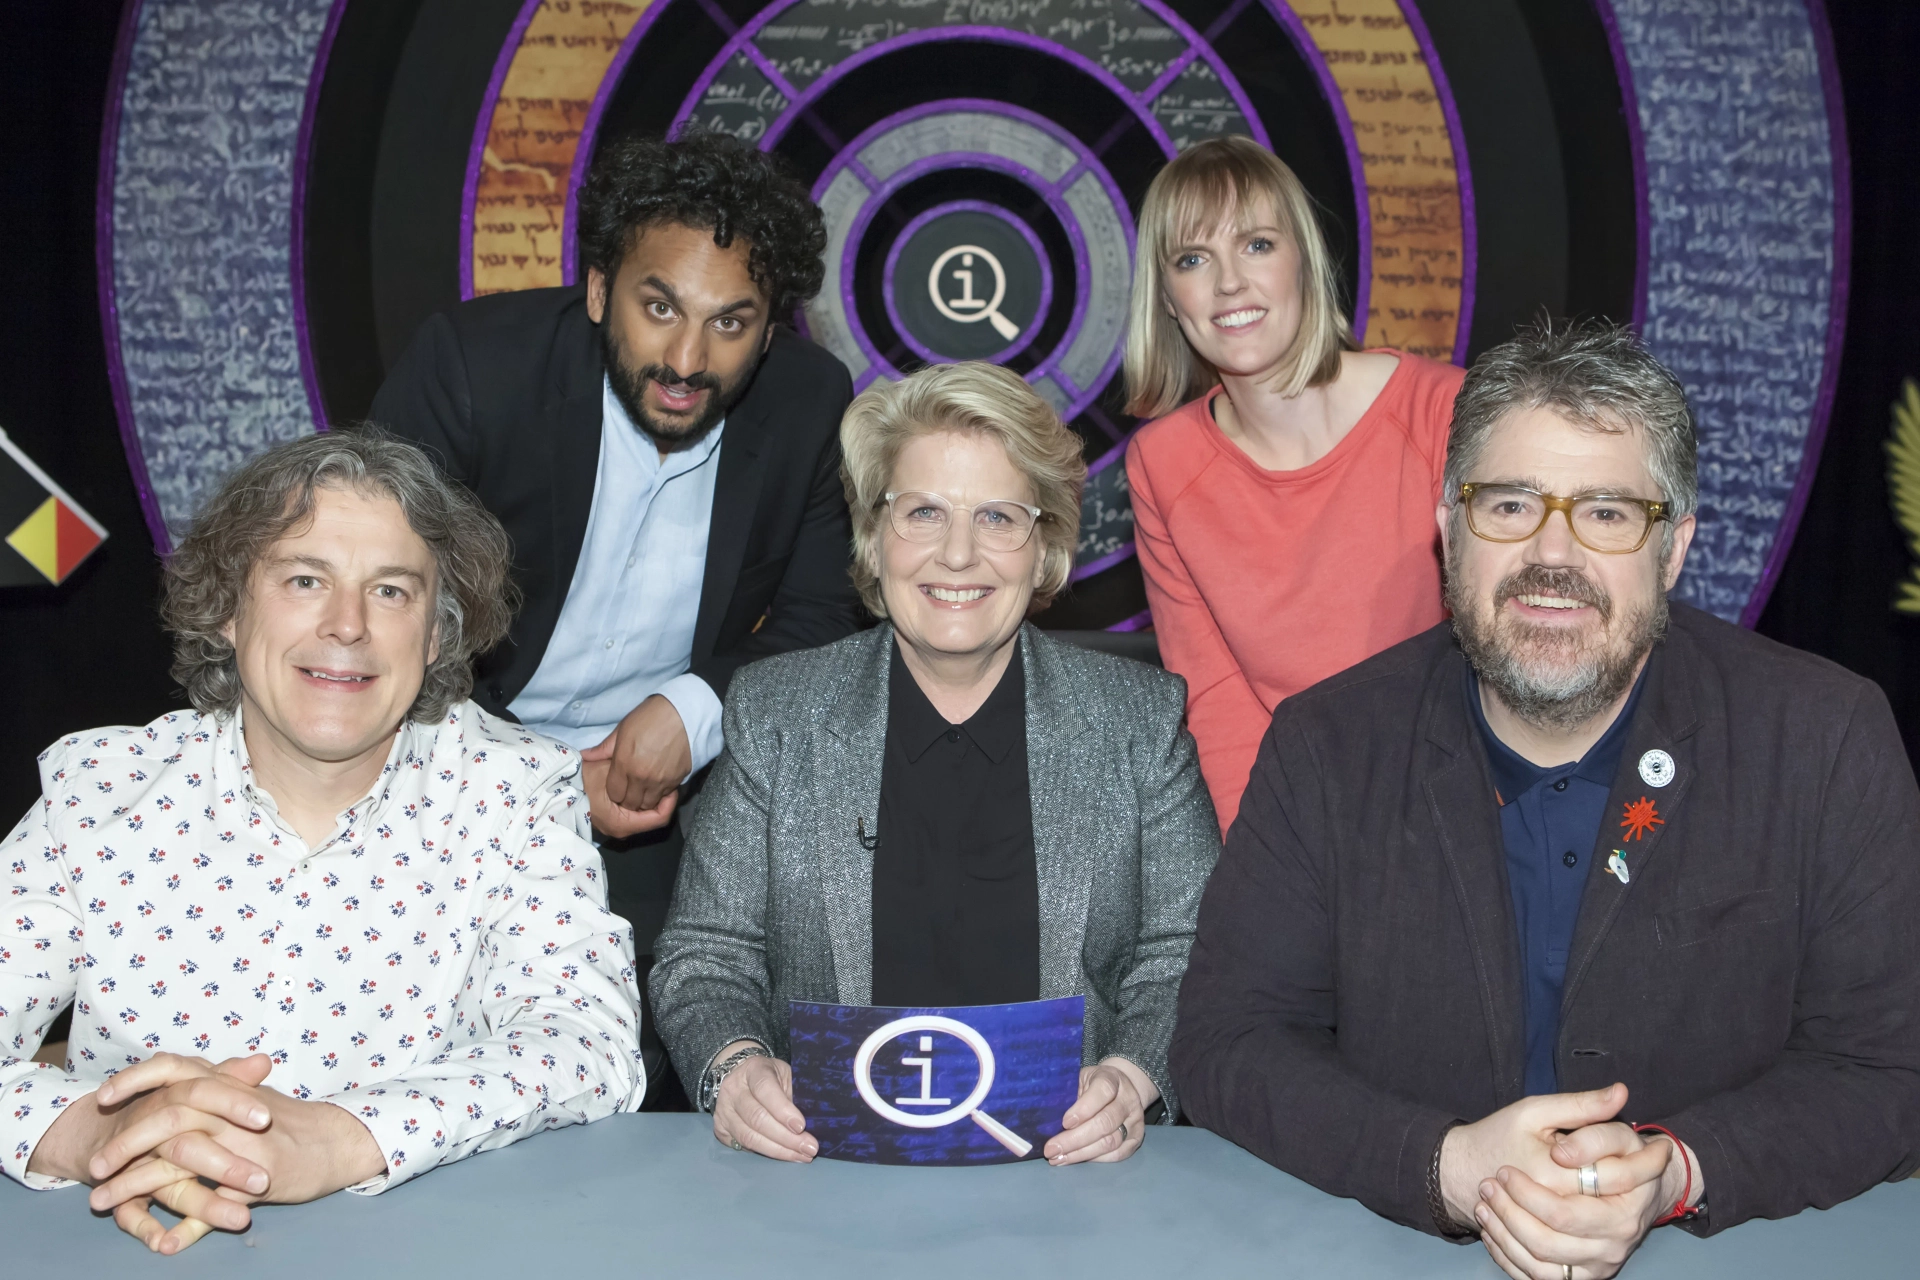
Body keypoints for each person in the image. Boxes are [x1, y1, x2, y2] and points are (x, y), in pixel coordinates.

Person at [1170, 320, 1920, 1277]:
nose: (1551, 555)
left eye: (1607, 512)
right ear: (1447, 526)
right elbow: (1228, 1044)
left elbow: (1887, 1070)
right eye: (1511, 504)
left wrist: (1678, 1172)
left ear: (1675, 547)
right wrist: (1444, 1167)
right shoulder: (1327, 745)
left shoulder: (1825, 738)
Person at [0, 433, 644, 1252]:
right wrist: (96, 1136)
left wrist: (333, 1138)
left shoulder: (513, 793)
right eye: (306, 581)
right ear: (230, 610)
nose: (347, 626)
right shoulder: (99, 790)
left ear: (438, 635)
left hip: (435, 1254)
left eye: (391, 592)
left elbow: (586, 1041)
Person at [648, 363, 1220, 1165]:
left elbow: (1190, 950)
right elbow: (706, 955)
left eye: (997, 516)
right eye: (923, 512)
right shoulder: (776, 711)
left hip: (1070, 1183)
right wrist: (735, 1069)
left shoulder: (1138, 720)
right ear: (874, 535)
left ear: (1046, 542)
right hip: (823, 1178)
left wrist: (1133, 1078)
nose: (958, 554)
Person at [372, 130, 863, 953]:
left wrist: (693, 709)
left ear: (772, 332)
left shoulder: (810, 404)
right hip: (440, 766)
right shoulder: (474, 371)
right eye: (659, 307)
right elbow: (375, 607)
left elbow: (824, 617)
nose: (685, 359)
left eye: (730, 323)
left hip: (662, 806)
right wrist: (545, 784)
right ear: (600, 290)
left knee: (664, 1029)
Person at [1123, 136, 1465, 832]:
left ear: (1304, 259)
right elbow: (1217, 703)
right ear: (1166, 297)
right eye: (1193, 259)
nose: (1228, 283)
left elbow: (1501, 659)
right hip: (1297, 829)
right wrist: (1271, 868)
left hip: (1457, 805)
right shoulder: (1161, 463)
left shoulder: (1445, 412)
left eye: (1256, 245)